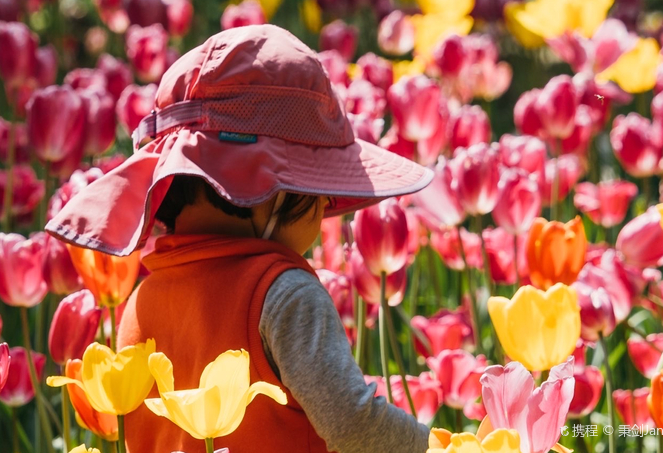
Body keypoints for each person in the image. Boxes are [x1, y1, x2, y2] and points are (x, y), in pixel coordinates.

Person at [47, 24, 434, 453]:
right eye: (319, 190)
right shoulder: (284, 294)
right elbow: (354, 424)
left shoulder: (141, 302)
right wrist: (445, 447)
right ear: (262, 189)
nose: (326, 207)